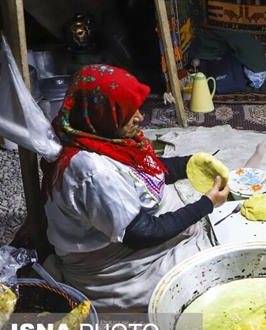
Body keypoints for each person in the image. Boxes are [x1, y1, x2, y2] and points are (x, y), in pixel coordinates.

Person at [41, 64, 229, 310]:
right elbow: (142, 234)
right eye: (128, 112)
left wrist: (187, 164)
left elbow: (140, 170)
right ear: (102, 115)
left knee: (195, 227)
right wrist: (205, 204)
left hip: (117, 235)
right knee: (209, 269)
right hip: (107, 266)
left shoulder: (86, 132)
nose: (140, 117)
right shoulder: (94, 171)